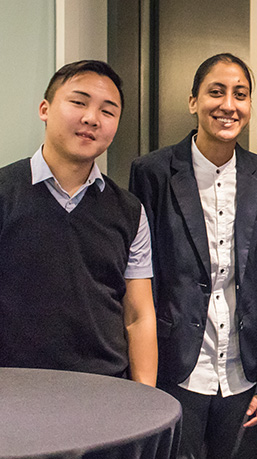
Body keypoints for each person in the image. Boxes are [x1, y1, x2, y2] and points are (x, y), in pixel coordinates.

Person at [129, 53, 257, 459]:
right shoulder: (152, 173)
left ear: (250, 106)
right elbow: (138, 277)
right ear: (193, 101)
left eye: (240, 94)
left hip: (243, 372)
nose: (228, 105)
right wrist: (139, 378)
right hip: (175, 367)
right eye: (215, 92)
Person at [0, 60, 157, 386]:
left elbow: (138, 316)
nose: (91, 118)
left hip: (104, 388)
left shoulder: (129, 211)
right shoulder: (5, 192)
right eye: (78, 102)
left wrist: (146, 402)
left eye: (108, 111)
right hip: (14, 390)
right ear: (45, 108)